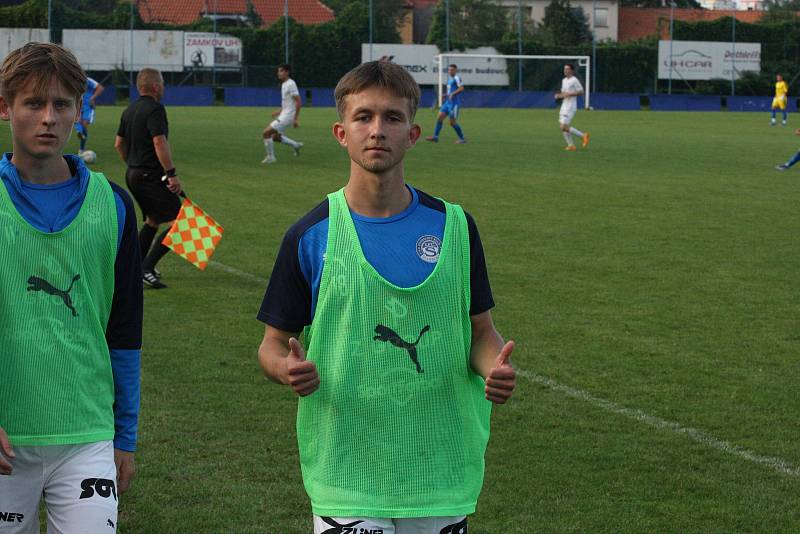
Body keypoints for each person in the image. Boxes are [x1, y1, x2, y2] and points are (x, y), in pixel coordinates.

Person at [256, 60, 516, 533]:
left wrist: (493, 366)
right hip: (347, 468)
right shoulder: (310, 235)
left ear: (413, 133)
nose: (377, 130)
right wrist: (285, 368)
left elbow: (482, 332)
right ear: (341, 132)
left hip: (437, 466)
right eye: (364, 117)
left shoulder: (455, 226)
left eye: (392, 118)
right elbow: (272, 344)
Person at [0, 42, 142, 533]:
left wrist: (125, 437)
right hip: (6, 438)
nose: (48, 118)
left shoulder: (115, 204)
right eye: (33, 104)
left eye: (62, 104)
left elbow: (125, 330)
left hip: (87, 436)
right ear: (5, 108)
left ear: (78, 110)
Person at [115, 68, 182, 289]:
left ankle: (134, 268)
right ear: (155, 86)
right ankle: (146, 268)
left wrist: (132, 164)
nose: (163, 88)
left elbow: (118, 144)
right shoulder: (155, 109)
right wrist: (171, 174)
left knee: (153, 220)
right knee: (182, 223)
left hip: (133, 174)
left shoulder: (129, 109)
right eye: (161, 84)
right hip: (149, 175)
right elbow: (159, 142)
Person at [262, 64, 303, 163]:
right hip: (284, 114)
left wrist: (295, 118)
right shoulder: (284, 84)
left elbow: (298, 101)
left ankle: (271, 157)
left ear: (287, 72)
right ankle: (295, 145)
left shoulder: (291, 84)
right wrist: (279, 111)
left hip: (288, 116)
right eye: (278, 71)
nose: (278, 73)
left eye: (281, 71)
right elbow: (288, 102)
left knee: (266, 133)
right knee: (276, 137)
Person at [425, 64, 466, 144]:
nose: (450, 71)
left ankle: (462, 139)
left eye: (452, 70)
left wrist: (452, 94)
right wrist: (446, 95)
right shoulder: (450, 80)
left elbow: (462, 88)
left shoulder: (457, 78)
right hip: (447, 102)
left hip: (454, 104)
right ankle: (435, 137)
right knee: (440, 117)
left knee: (452, 122)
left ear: (455, 70)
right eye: (449, 70)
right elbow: (450, 91)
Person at [555, 63, 589, 151]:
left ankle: (583, 136)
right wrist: (559, 95)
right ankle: (571, 145)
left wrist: (570, 94)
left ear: (571, 71)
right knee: (563, 127)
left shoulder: (574, 80)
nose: (565, 70)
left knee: (563, 126)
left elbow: (581, 92)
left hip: (570, 107)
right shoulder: (564, 80)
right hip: (564, 106)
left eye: (567, 69)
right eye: (564, 69)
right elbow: (564, 93)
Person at [75, 76, 104, 156]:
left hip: (88, 105)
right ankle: (80, 134)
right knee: (77, 120)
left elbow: (100, 88)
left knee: (84, 124)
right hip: (77, 104)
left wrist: (92, 98)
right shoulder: (72, 80)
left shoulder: (87, 80)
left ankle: (81, 144)